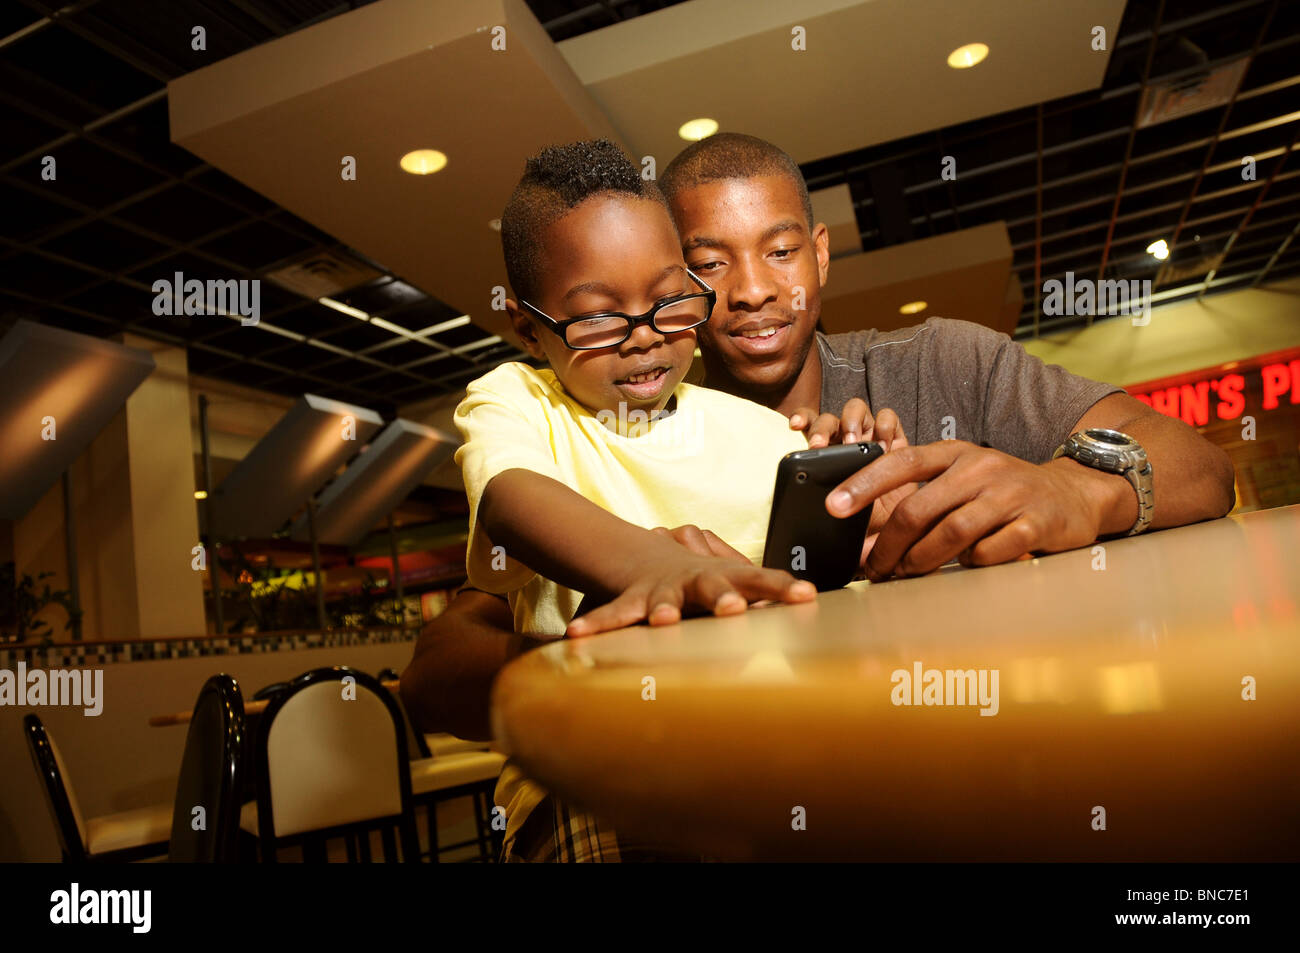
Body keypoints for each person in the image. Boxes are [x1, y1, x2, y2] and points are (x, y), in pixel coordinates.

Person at [401, 133, 1235, 846]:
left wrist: (1070, 491)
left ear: (821, 252)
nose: (755, 288)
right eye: (707, 263)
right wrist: (624, 657)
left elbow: (1202, 467)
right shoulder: (589, 418)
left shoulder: (940, 365)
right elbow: (443, 664)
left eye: (780, 248)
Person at [452, 139, 819, 860]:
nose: (646, 338)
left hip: (762, 744)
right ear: (526, 325)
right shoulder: (519, 404)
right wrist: (657, 565)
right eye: (598, 318)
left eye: (669, 302)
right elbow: (509, 498)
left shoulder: (764, 431)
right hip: (589, 765)